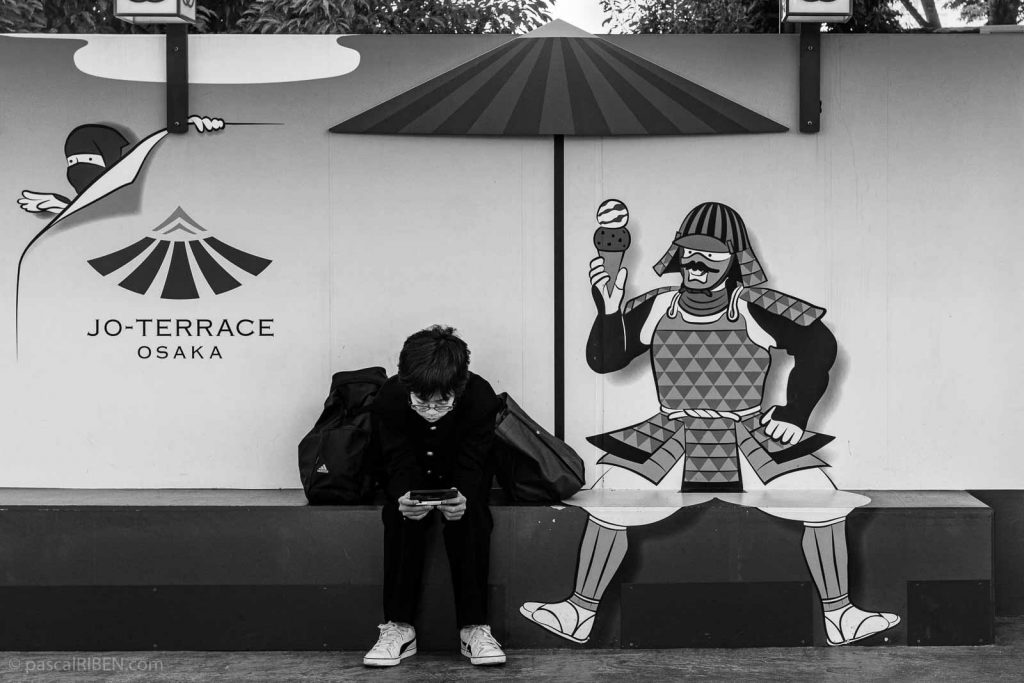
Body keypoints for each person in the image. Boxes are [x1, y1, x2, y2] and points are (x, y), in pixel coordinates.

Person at [520, 201, 899, 647]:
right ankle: (578, 613)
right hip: (671, 434)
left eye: (711, 254)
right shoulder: (659, 305)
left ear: (734, 260)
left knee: (823, 502)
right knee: (609, 500)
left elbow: (819, 345)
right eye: (688, 251)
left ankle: (841, 616)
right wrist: (609, 310)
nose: (696, 264)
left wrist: (796, 413)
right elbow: (605, 360)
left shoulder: (754, 305)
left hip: (747, 434)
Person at [363, 325, 506, 667]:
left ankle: (474, 629)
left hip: (460, 472)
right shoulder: (390, 398)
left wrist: (463, 497)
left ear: (458, 387)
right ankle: (398, 627)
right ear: (407, 386)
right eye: (420, 402)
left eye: (441, 402)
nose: (430, 410)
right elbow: (394, 457)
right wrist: (403, 496)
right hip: (410, 474)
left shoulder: (480, 398)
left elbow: (475, 461)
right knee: (399, 516)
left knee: (472, 519)